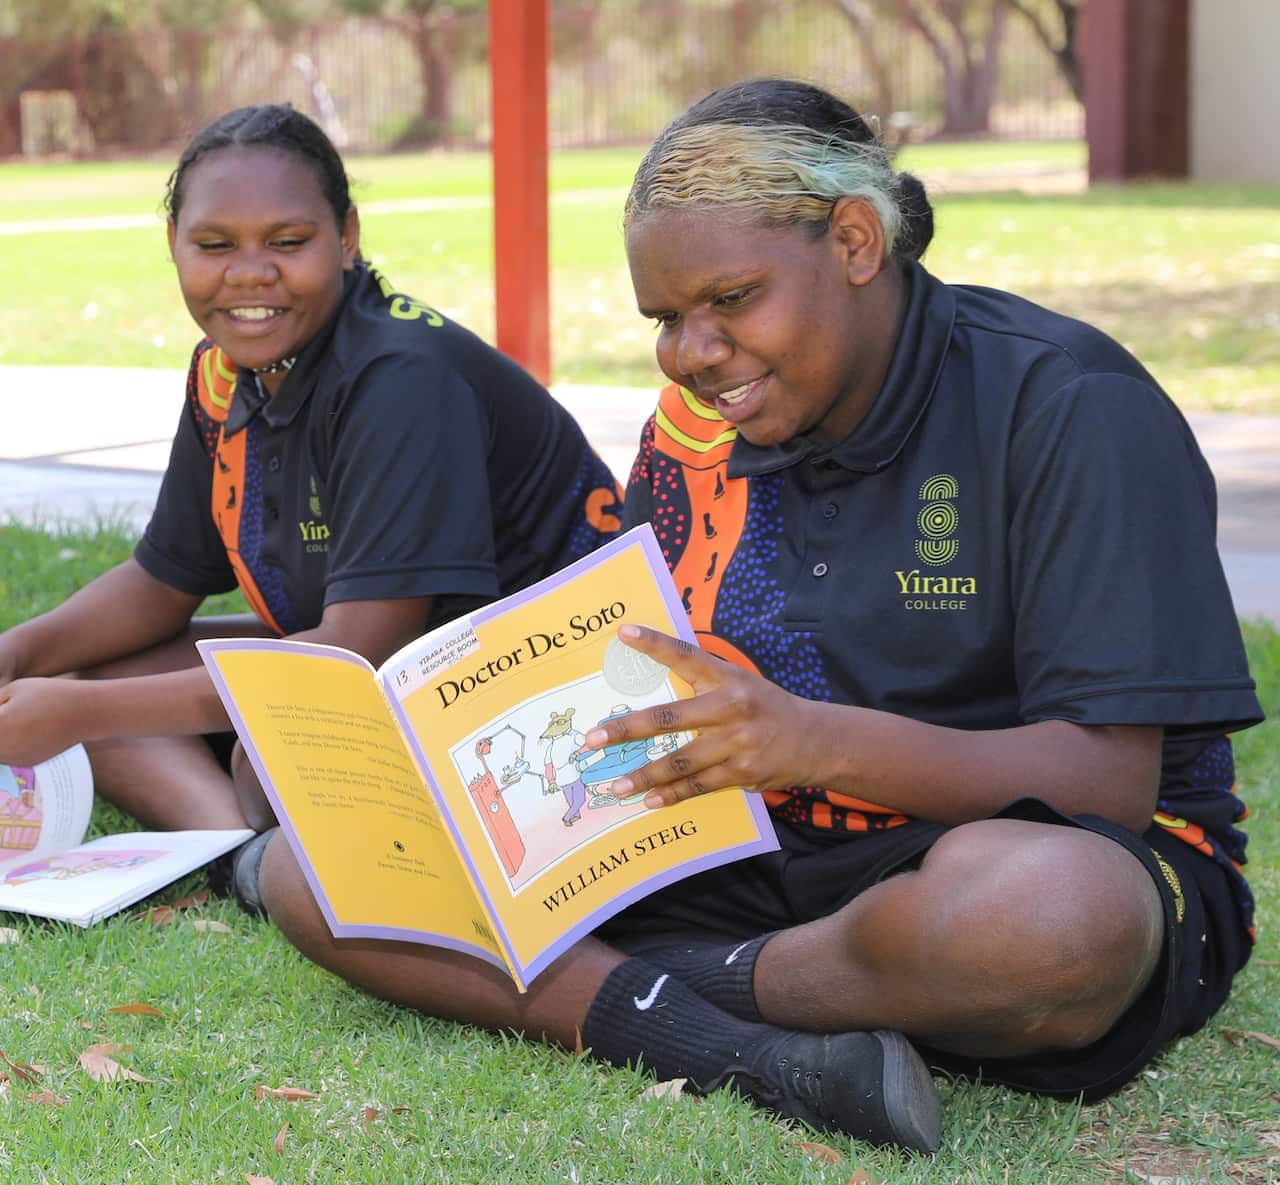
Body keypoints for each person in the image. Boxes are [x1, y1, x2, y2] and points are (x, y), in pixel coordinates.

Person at [246, 80, 1262, 1153]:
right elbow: (632, 667)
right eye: (666, 319)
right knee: (319, 869)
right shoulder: (697, 424)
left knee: (1047, 922)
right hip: (744, 843)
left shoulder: (1064, 404)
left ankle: (674, 991)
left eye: (730, 299)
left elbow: (1105, 784)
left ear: (856, 242)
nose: (690, 352)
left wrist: (805, 740)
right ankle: (754, 1054)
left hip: (1015, 853)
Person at [0, 104, 622, 845]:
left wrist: (76, 717)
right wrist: (17, 655)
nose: (251, 273)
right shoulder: (228, 372)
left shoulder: (399, 378)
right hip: (405, 668)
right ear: (174, 244)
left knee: (262, 759)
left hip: (543, 703)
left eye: (289, 241)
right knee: (101, 675)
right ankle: (239, 853)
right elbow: (162, 583)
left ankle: (261, 857)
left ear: (348, 237)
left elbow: (357, 651)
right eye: (214, 244)